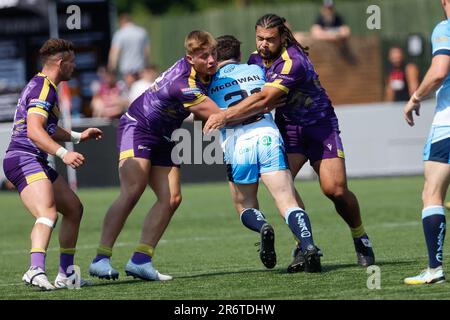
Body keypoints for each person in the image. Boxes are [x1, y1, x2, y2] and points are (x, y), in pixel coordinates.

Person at [204, 14, 375, 271]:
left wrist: (225, 115)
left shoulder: (293, 61)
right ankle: (303, 247)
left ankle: (360, 236)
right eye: (259, 38)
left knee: (335, 190)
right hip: (289, 129)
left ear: (282, 37)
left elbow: (264, 99)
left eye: (269, 39)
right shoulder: (255, 60)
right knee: (284, 188)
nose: (263, 44)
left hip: (319, 126)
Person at [88, 30, 222, 281]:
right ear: (190, 58)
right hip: (138, 127)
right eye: (205, 56)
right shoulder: (184, 85)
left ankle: (141, 260)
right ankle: (100, 258)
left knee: (171, 198)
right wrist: (261, 105)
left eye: (214, 53)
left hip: (164, 134)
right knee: (133, 190)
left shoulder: (199, 69)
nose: (212, 60)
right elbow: (219, 115)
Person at [208, 35, 322, 272]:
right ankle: (308, 245)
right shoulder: (255, 69)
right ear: (239, 55)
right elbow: (275, 96)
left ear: (215, 57)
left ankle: (262, 228)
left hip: (237, 142)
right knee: (287, 201)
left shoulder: (209, 80)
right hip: (267, 134)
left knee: (245, 205)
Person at [2, 39, 103, 290]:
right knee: (46, 213)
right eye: (72, 62)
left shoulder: (45, 86)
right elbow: (35, 132)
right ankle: (35, 270)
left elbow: (46, 128)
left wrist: (78, 137)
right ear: (60, 63)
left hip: (32, 158)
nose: (75, 67)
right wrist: (63, 153)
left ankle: (66, 274)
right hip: (23, 157)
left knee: (73, 208)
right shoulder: (42, 88)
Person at [403, 0, 450, 285]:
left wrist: (415, 97)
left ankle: (434, 269)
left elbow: (440, 70)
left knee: (432, 193)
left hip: (447, 125)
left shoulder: (445, 28)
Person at [108, 13, 150, 88]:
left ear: (122, 22)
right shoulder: (142, 32)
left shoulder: (120, 34)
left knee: (130, 92)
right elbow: (146, 51)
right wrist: (147, 65)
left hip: (127, 69)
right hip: (140, 67)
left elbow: (115, 53)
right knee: (140, 90)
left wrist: (112, 68)